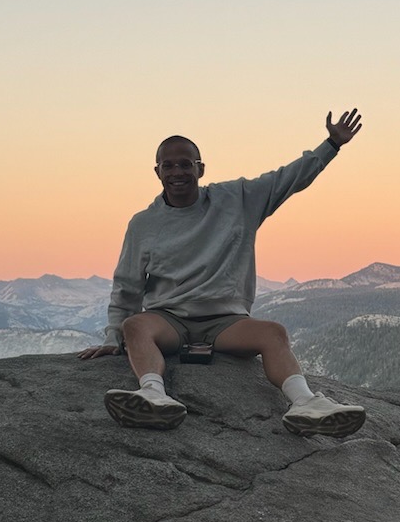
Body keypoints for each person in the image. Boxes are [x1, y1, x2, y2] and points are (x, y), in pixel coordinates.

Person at [78, 111, 368, 437]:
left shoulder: (237, 199)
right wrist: (112, 337)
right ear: (157, 171)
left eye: (186, 164)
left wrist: (332, 144)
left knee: (273, 333)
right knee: (135, 326)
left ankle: (306, 404)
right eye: (169, 165)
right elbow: (127, 287)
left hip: (227, 323)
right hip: (168, 320)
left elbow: (288, 178)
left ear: (200, 168)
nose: (178, 172)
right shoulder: (143, 224)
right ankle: (153, 395)